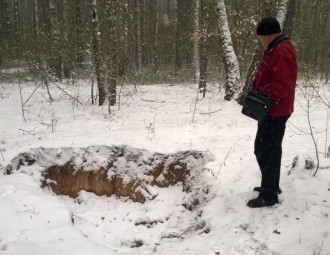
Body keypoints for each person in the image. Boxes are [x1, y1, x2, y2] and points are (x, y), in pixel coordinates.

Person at [247, 17, 297, 208]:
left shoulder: (282, 51)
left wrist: (260, 94)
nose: (260, 41)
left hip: (275, 110)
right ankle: (271, 186)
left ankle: (269, 195)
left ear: (269, 35)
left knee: (264, 151)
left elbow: (282, 85)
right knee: (270, 150)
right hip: (273, 109)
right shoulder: (276, 48)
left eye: (261, 37)